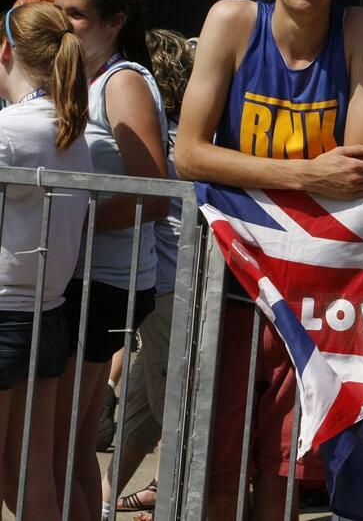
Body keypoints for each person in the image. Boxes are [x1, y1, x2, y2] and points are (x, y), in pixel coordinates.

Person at [173, 0, 363, 518]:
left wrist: (262, 175)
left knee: (284, 472)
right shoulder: (234, 20)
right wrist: (305, 172)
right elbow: (188, 154)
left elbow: (360, 168)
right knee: (215, 464)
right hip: (230, 278)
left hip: (316, 288)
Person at [52, 0, 170, 521]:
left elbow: (154, 197)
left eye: (75, 14)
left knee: (58, 438)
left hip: (105, 284)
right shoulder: (81, 80)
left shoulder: (121, 82)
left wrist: (63, 222)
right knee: (62, 439)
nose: (63, 24)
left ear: (115, 21)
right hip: (77, 278)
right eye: (58, 11)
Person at [0, 3, 92, 518]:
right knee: (31, 468)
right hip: (47, 312)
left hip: (7, 310)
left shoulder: (10, 130)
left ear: (6, 50)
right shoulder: (69, 127)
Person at [101, 29, 195, 519]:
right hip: (160, 281)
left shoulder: (159, 136)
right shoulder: (177, 133)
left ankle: (178, 504)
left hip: (169, 283)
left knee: (171, 404)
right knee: (144, 398)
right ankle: (104, 501)